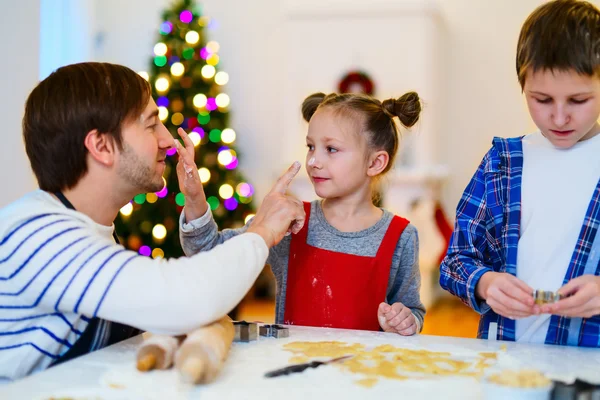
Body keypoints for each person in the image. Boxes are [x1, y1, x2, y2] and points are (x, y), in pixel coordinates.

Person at [0, 62, 305, 380]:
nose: (168, 140)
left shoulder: (87, 228)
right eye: (151, 124)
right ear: (102, 146)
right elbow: (187, 297)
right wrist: (263, 230)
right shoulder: (39, 236)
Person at [177, 91, 426, 334]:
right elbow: (209, 252)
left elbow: (412, 311)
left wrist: (406, 321)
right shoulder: (290, 221)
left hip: (363, 374)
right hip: (294, 369)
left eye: (331, 149)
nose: (313, 161)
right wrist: (194, 198)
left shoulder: (401, 236)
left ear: (374, 163)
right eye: (310, 147)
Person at [440, 0, 600, 347]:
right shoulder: (503, 161)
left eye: (578, 100)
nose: (559, 118)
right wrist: (485, 283)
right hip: (506, 362)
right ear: (522, 86)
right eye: (542, 100)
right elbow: (456, 261)